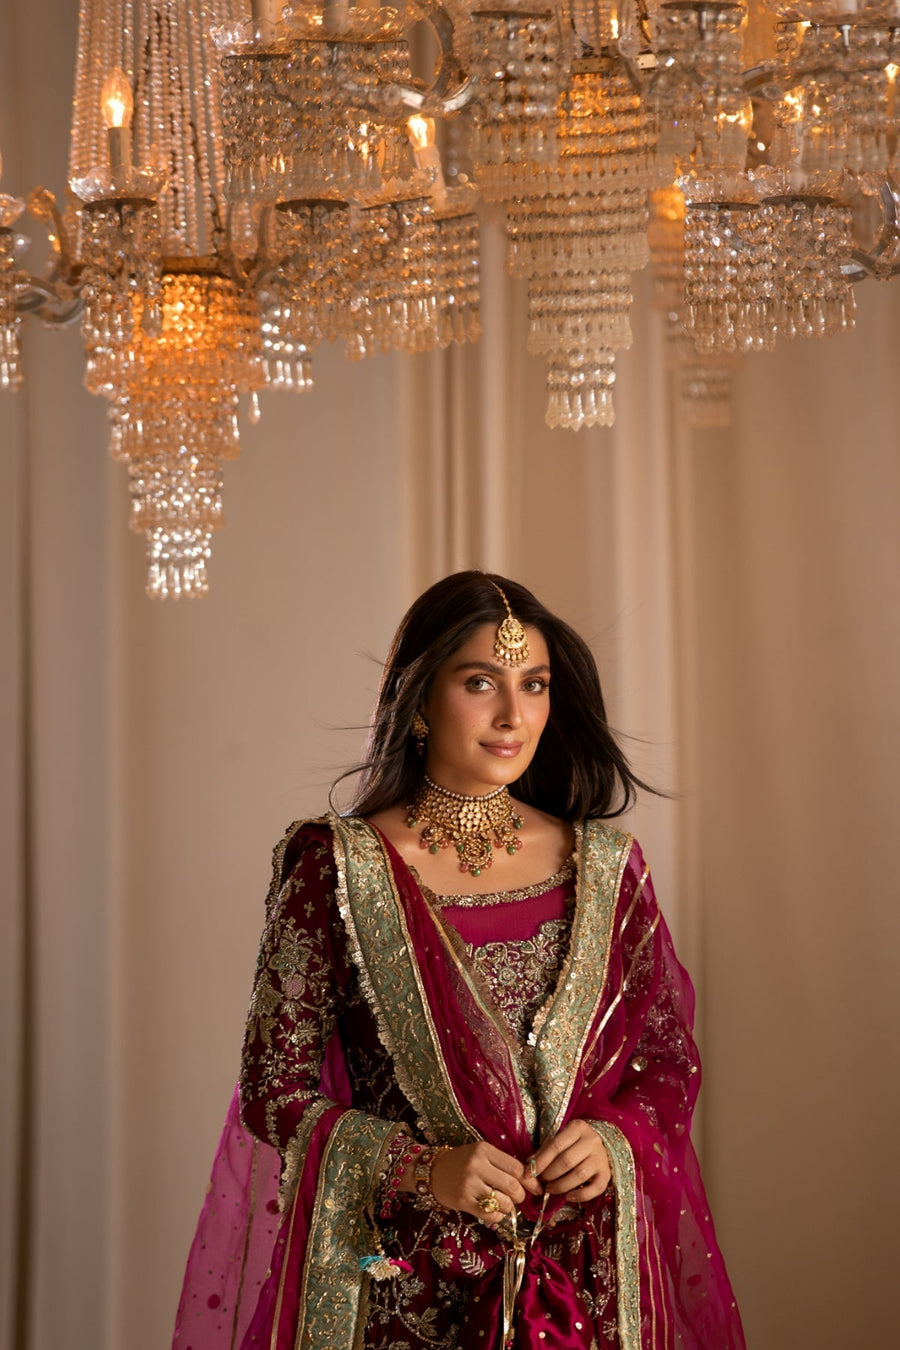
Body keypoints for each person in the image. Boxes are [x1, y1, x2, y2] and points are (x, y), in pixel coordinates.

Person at [173, 571, 745, 1350]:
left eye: (534, 684)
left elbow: (665, 1060)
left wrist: (612, 1139)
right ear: (418, 700)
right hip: (398, 1286)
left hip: (581, 1280)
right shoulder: (338, 868)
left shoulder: (606, 867)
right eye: (482, 682)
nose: (515, 715)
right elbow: (274, 1089)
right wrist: (422, 1170)